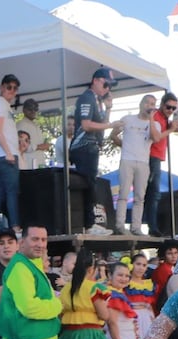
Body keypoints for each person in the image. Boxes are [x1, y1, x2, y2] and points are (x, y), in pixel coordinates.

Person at [69, 68, 123, 232]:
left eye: (110, 86)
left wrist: (108, 109)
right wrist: (111, 124)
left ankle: (90, 223)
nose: (108, 89)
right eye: (106, 84)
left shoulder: (96, 101)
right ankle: (89, 224)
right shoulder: (87, 97)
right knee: (90, 185)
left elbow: (100, 129)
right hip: (83, 147)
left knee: (91, 184)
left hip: (91, 148)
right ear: (96, 80)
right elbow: (86, 125)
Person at [110, 94, 159, 235]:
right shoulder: (128, 119)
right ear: (141, 104)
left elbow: (155, 138)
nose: (150, 106)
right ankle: (120, 225)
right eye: (147, 103)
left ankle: (136, 227)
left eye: (152, 104)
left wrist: (151, 119)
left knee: (140, 197)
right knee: (123, 193)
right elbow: (113, 135)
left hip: (143, 162)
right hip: (127, 160)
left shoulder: (155, 124)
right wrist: (125, 146)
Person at [143, 92, 178, 236]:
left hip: (157, 157)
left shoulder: (163, 118)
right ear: (162, 105)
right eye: (168, 107)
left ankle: (153, 226)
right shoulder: (155, 116)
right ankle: (153, 226)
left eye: (173, 109)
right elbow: (156, 137)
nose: (170, 111)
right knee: (153, 193)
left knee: (153, 193)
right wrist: (171, 128)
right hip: (151, 156)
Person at [0, 74, 22, 231]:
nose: (12, 91)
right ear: (2, 87)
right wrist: (8, 152)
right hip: (4, 155)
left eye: (15, 88)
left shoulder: (6, 106)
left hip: (5, 154)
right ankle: (15, 226)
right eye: (9, 87)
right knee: (12, 192)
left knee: (0, 193)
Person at [15, 98, 50, 168]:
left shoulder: (35, 125)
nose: (33, 111)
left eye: (35, 109)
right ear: (24, 110)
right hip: (28, 165)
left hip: (38, 165)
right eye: (30, 109)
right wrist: (39, 147)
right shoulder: (21, 124)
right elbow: (19, 146)